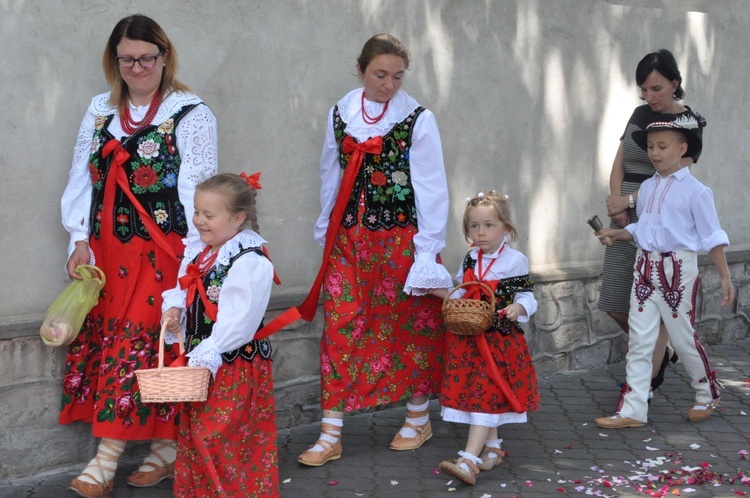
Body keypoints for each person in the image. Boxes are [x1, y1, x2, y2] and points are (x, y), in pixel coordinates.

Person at [59, 14, 218, 498]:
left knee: (150, 346)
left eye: (147, 57)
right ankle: (165, 450)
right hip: (107, 252)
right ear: (115, 61)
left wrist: (194, 262)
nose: (137, 66)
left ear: (165, 56)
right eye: (126, 58)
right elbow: (82, 180)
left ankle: (104, 462)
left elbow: (199, 193)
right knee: (120, 345)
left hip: (162, 252)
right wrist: (78, 239)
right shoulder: (99, 111)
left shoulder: (192, 114)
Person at [297, 33, 452, 467]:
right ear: (361, 69)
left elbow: (432, 188)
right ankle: (331, 434)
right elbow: (330, 174)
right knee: (340, 327)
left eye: (397, 76)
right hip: (349, 240)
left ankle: (418, 417)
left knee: (412, 325)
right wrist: (324, 228)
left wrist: (427, 251)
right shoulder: (340, 114)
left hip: (403, 241)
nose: (389, 84)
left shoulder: (418, 118)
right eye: (380, 74)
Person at [594, 114, 734, 429]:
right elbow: (643, 229)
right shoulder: (645, 188)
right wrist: (617, 234)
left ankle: (706, 393)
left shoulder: (698, 192)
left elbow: (712, 237)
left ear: (683, 147)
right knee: (640, 339)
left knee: (683, 338)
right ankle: (634, 409)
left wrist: (725, 276)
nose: (654, 153)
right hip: (645, 267)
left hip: (678, 270)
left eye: (662, 146)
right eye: (650, 147)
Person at [161, 172, 278, 496]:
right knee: (196, 435)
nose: (198, 220)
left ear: (238, 218)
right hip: (204, 366)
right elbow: (183, 288)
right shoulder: (201, 252)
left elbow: (239, 322)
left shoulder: (248, 261)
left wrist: (207, 352)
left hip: (234, 366)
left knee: (218, 438)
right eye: (197, 211)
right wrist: (175, 312)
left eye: (208, 215)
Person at [599, 49, 706, 402]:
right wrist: (617, 201)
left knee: (656, 299)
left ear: (675, 84)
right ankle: (661, 351)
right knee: (614, 301)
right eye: (644, 89)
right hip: (625, 210)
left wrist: (630, 202)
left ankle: (646, 376)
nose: (650, 97)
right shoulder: (640, 114)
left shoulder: (689, 124)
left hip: (660, 216)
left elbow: (675, 177)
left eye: (657, 88)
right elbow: (620, 160)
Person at [429, 191, 539, 486]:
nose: (481, 233)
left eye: (489, 225)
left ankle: (468, 460)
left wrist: (519, 307)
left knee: (485, 397)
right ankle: (493, 449)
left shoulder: (515, 260)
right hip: (469, 340)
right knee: (481, 394)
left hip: (499, 342)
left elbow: (528, 296)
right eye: (474, 226)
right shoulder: (470, 258)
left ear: (505, 227)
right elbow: (463, 292)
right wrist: (434, 289)